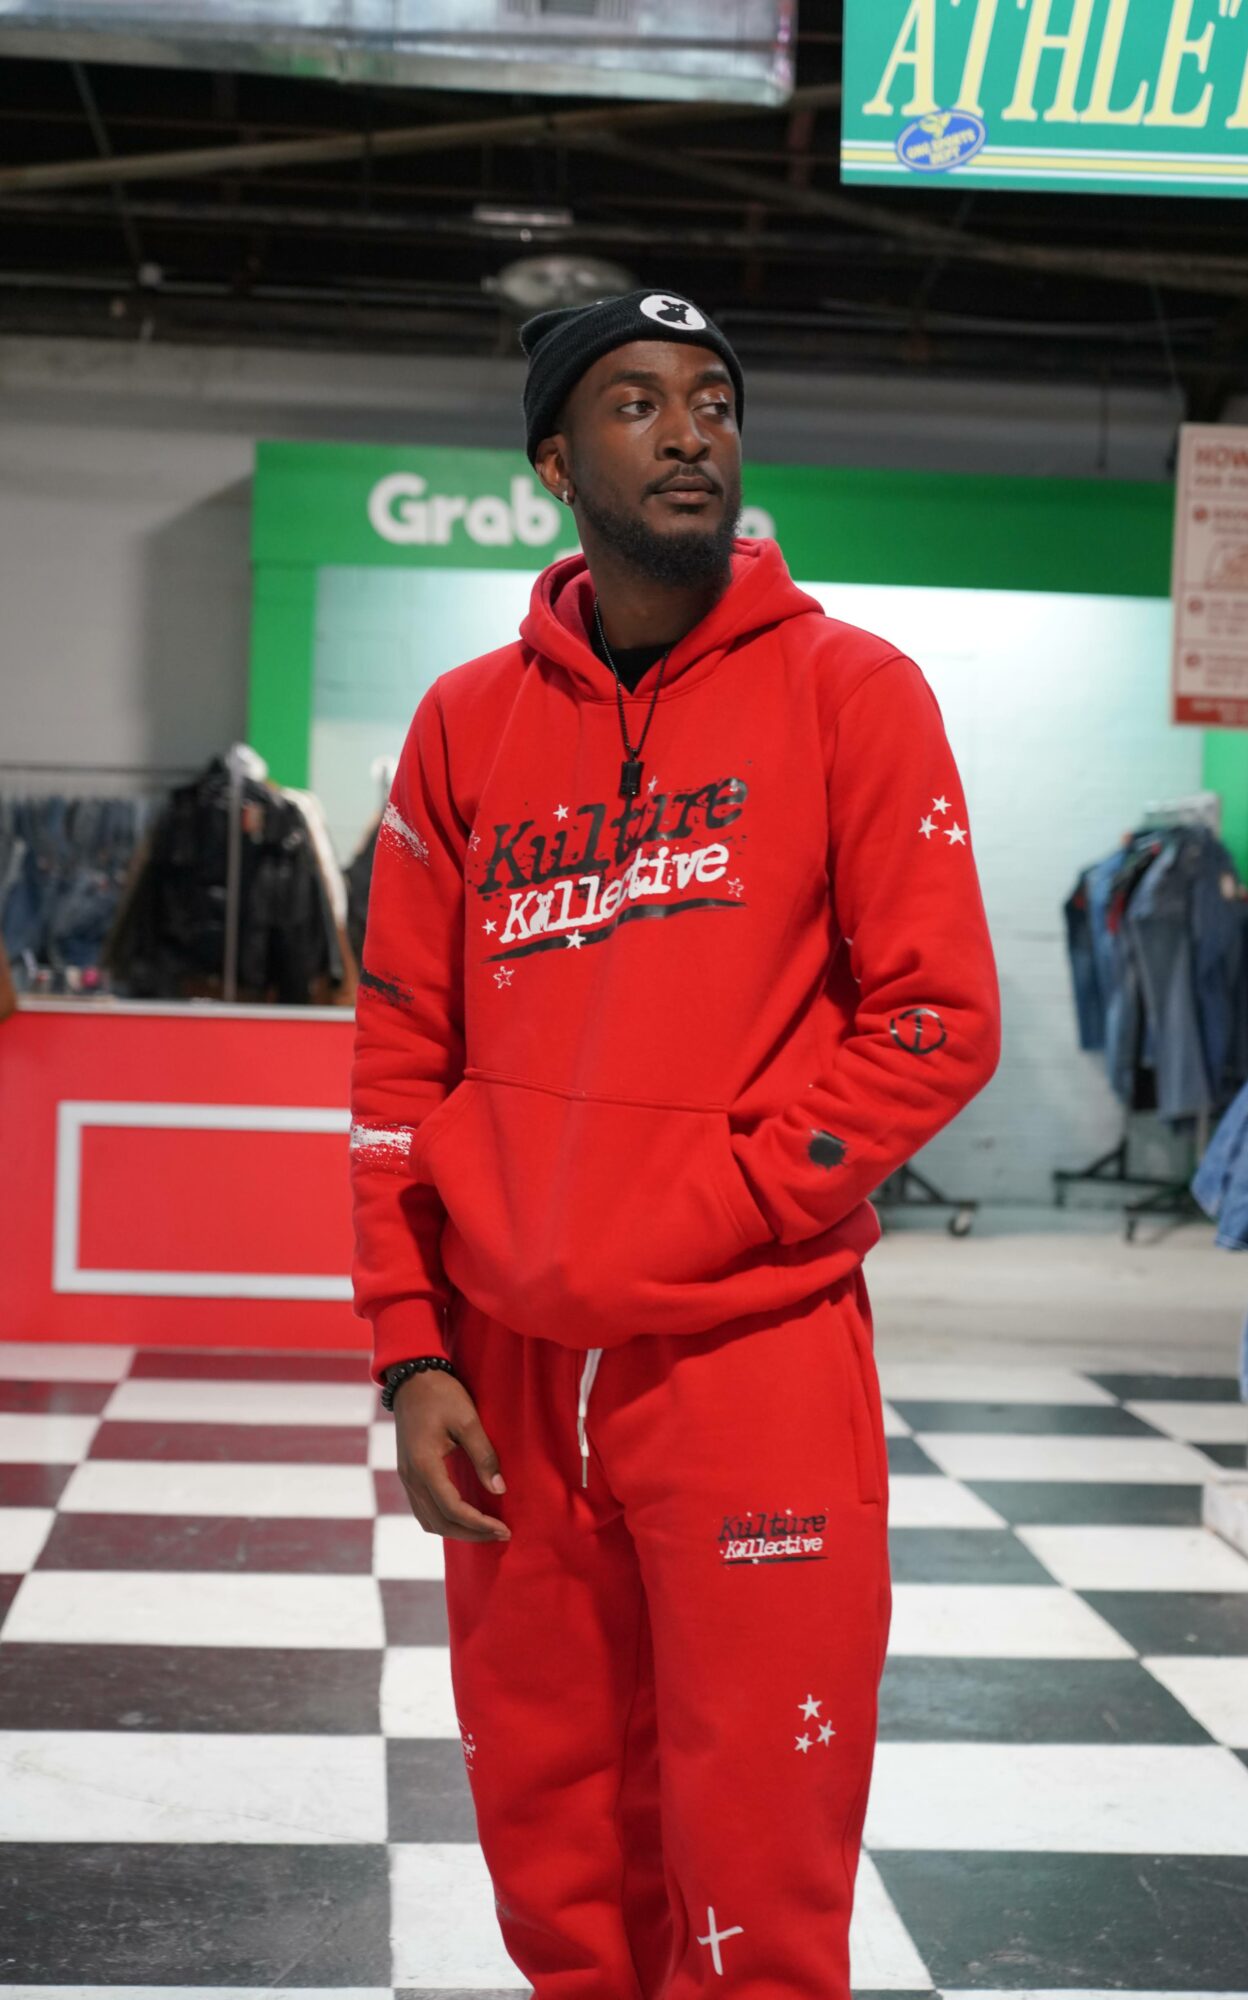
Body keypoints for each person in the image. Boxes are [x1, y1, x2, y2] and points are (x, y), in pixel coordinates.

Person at [350, 288, 1001, 1998]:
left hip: (750, 1349)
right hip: (507, 1363)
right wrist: (411, 1351)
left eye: (712, 398)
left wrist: (719, 1198)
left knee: (755, 1850)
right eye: (635, 402)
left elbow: (936, 1020)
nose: (690, 430)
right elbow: (398, 1060)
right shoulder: (463, 723)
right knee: (553, 1837)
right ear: (554, 463)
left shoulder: (853, 692)